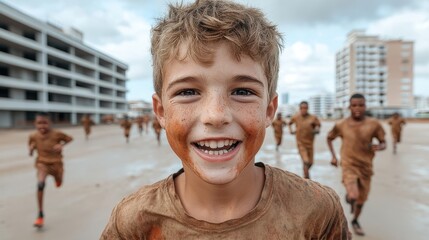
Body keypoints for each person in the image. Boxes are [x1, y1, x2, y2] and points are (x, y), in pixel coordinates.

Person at [101, 1, 350, 239]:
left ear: (269, 110)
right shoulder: (132, 223)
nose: (216, 115)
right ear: (161, 111)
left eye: (243, 92)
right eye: (188, 92)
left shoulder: (317, 211)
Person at [327, 93, 386, 236]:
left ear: (365, 106)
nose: (357, 108)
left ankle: (355, 220)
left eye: (361, 105)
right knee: (353, 195)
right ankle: (351, 198)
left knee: (361, 200)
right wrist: (334, 157)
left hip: (366, 167)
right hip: (349, 165)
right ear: (349, 107)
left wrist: (380, 146)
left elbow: (383, 142)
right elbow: (329, 138)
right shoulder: (341, 124)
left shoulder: (374, 124)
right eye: (354, 105)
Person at [28, 112, 73, 228]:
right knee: (40, 184)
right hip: (42, 164)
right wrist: (31, 149)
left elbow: (70, 139)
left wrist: (61, 145)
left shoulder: (57, 134)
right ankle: (40, 215)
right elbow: (29, 149)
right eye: (39, 123)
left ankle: (58, 179)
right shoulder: (33, 136)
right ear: (35, 124)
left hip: (57, 165)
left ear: (50, 123)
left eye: (45, 123)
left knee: (59, 181)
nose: (42, 126)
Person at [288, 101, 321, 179]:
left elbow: (318, 125)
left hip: (310, 144)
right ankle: (307, 180)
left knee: (310, 163)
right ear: (299, 109)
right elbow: (289, 123)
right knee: (306, 161)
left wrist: (316, 129)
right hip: (300, 144)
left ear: (308, 108)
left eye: (305, 108)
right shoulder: (296, 117)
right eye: (302, 108)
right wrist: (291, 131)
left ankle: (305, 173)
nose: (303, 110)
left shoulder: (313, 117)